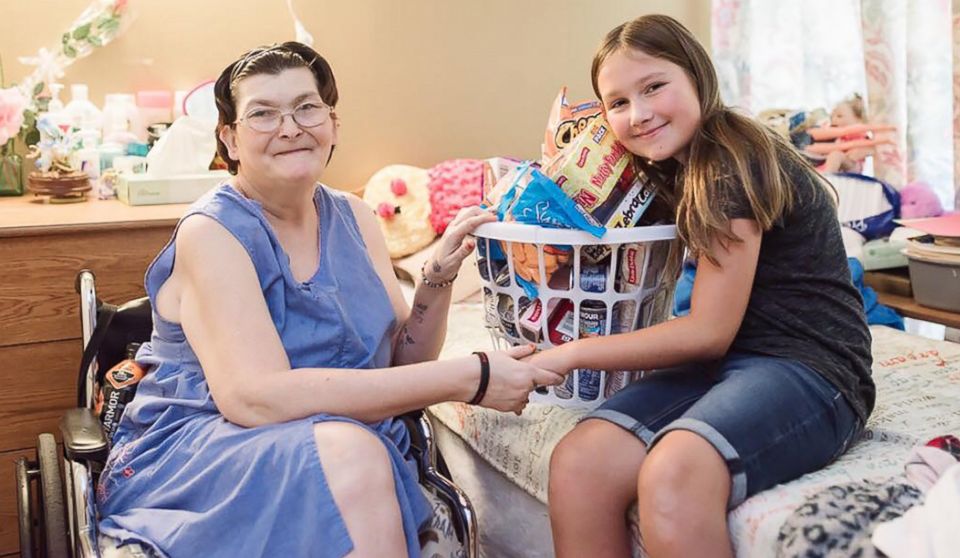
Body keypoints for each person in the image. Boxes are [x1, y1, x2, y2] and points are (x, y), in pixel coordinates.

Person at [95, 42, 562, 558]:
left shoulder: (356, 217)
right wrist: (470, 377)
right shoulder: (214, 232)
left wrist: (436, 277)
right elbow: (255, 397)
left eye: (306, 107)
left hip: (336, 440)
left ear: (333, 124)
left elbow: (403, 362)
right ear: (229, 139)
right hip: (205, 448)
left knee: (354, 451)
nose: (291, 127)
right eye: (263, 114)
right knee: (354, 454)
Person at [530, 15, 874, 558]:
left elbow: (708, 331)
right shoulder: (667, 168)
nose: (638, 114)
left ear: (697, 76)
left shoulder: (733, 159)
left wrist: (573, 353)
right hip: (725, 365)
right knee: (580, 464)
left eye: (653, 87)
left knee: (675, 471)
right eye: (617, 103)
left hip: (808, 363)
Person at [804, 93, 896, 173]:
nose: (834, 120)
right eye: (832, 117)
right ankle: (823, 175)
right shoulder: (838, 137)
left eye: (840, 116)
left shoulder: (863, 138)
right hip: (837, 163)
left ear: (859, 119)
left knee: (836, 155)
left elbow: (856, 154)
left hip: (852, 166)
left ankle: (826, 177)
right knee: (833, 156)